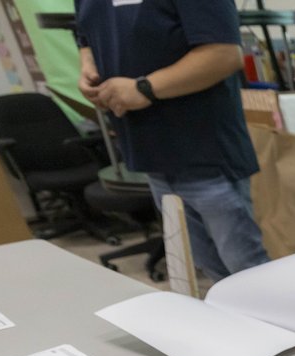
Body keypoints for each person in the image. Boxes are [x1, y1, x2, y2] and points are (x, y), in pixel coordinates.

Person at [75, 0, 269, 281]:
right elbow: (85, 36)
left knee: (247, 272)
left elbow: (224, 53)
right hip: (150, 156)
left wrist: (144, 88)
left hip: (205, 153)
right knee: (210, 271)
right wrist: (88, 68)